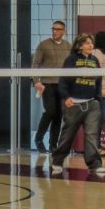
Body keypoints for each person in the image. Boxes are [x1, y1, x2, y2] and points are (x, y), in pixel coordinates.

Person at [51, 34, 105, 175]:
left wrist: (97, 99)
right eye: (87, 43)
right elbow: (63, 80)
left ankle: (94, 163)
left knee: (91, 135)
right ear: (80, 45)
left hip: (91, 104)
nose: (90, 45)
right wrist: (66, 97)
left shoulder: (95, 61)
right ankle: (57, 161)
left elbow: (98, 80)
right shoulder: (71, 59)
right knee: (67, 135)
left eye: (91, 43)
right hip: (73, 104)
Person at [32, 21, 71, 152]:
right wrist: (36, 81)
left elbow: (71, 66)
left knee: (59, 115)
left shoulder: (68, 46)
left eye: (58, 29)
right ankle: (38, 137)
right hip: (47, 83)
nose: (55, 31)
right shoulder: (44, 45)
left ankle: (53, 144)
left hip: (62, 84)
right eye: (53, 29)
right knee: (50, 111)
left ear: (64, 31)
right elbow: (35, 64)